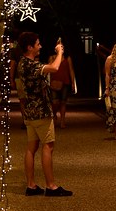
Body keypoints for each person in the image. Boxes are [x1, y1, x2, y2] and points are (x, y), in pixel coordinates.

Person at [16, 31, 73, 196]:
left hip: (30, 112)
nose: (40, 46)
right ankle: (51, 186)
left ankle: (31, 185)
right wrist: (60, 51)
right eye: (38, 44)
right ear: (30, 47)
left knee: (31, 147)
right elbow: (54, 67)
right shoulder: (31, 65)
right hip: (41, 111)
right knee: (48, 146)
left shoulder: (22, 63)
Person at [49, 48, 76, 129]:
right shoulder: (52, 58)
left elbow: (71, 70)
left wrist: (73, 83)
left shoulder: (67, 58)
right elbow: (49, 70)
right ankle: (54, 114)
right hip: (54, 82)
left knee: (63, 102)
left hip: (65, 82)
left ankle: (62, 121)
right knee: (55, 102)